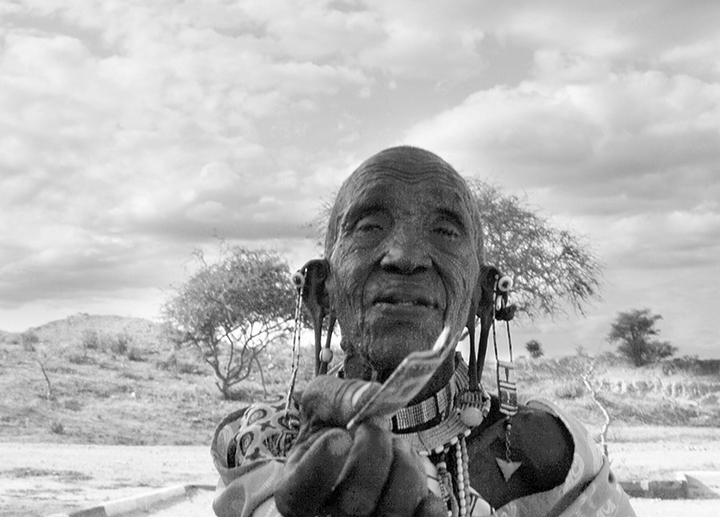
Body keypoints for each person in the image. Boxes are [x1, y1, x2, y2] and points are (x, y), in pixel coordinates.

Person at [211, 146, 636, 517]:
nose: (405, 256)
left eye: (445, 231)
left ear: (482, 299)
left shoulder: (546, 449)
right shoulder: (261, 441)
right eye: (369, 227)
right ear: (322, 293)